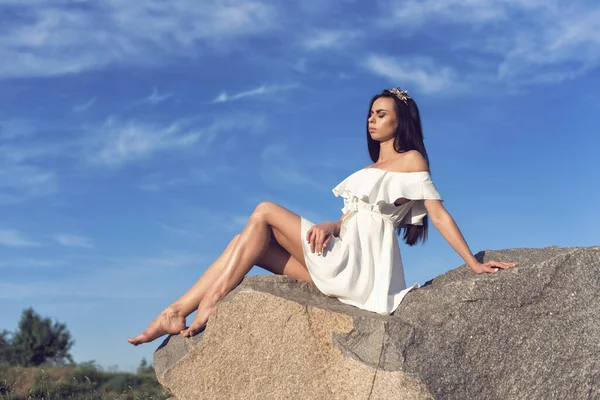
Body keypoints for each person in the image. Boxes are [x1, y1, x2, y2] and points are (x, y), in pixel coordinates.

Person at [128, 87, 518, 346]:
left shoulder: (410, 160)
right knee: (247, 244)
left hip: (361, 268)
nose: (372, 120)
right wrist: (330, 226)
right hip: (343, 256)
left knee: (263, 211)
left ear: (401, 121)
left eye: (382, 114)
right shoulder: (372, 166)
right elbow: (351, 218)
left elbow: (438, 213)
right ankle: (175, 311)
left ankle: (210, 300)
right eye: (370, 114)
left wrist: (473, 264)